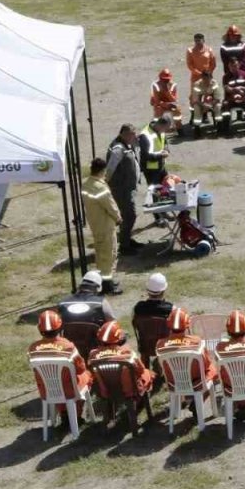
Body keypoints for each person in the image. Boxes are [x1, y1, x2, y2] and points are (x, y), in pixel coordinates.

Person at [28, 310, 91, 405]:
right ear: (59, 327)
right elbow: (80, 369)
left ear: (39, 329)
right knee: (87, 375)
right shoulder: (69, 347)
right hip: (70, 392)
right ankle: (77, 413)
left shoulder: (32, 349)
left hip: (47, 392)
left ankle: (63, 413)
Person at [155, 307, 217, 393]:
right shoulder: (197, 342)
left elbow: (161, 367)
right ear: (187, 324)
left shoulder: (160, 344)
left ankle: (184, 399)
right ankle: (200, 399)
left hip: (174, 383)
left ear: (169, 324)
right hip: (196, 382)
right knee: (213, 369)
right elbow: (206, 364)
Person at [82, 158, 122, 288]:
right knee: (109, 254)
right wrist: (118, 218)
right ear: (102, 171)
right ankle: (107, 284)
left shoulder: (86, 184)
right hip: (105, 225)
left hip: (95, 223)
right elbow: (110, 206)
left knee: (100, 253)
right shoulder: (100, 187)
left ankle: (103, 279)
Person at [88, 320, 155, 398]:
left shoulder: (92, 355)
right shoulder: (128, 354)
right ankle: (140, 401)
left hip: (106, 391)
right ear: (119, 337)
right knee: (147, 373)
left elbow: (92, 374)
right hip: (130, 390)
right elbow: (141, 370)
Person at [106, 123, 144, 255]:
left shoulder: (127, 144)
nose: (134, 137)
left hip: (127, 187)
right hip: (121, 189)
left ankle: (126, 239)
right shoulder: (118, 149)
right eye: (132, 135)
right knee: (129, 215)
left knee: (127, 215)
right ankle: (125, 246)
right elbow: (109, 169)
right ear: (124, 134)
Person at [139, 117, 171, 224]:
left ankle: (164, 212)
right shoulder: (145, 136)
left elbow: (164, 141)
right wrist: (161, 155)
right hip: (151, 169)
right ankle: (158, 218)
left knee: (165, 189)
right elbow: (145, 156)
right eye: (165, 129)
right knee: (154, 193)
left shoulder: (160, 130)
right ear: (160, 125)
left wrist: (166, 150)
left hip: (161, 166)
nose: (165, 132)